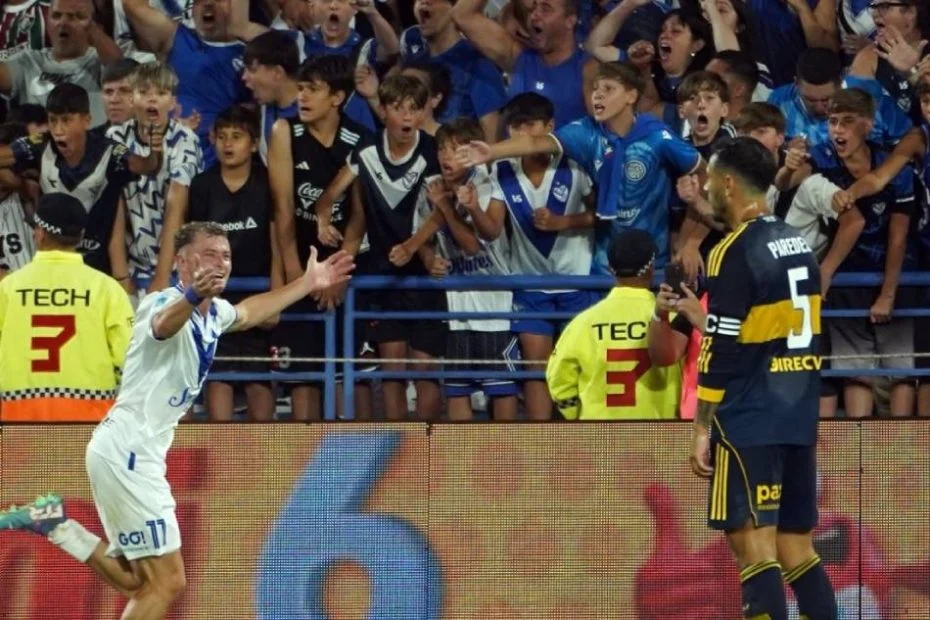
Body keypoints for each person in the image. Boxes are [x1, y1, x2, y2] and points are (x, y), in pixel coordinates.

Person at [0, 221, 353, 619]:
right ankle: (55, 524)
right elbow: (163, 325)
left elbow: (248, 312)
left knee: (138, 581)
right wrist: (191, 295)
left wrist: (307, 283)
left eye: (226, 256)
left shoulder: (213, 313)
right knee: (168, 583)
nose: (220, 263)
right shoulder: (162, 302)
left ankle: (57, 525)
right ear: (182, 263)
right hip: (128, 453)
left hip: (132, 453)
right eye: (208, 255)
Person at [691, 136, 837, 619]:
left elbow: (719, 345)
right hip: (797, 414)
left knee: (752, 547)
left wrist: (702, 426)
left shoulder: (731, 251)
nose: (706, 188)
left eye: (711, 179)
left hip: (750, 416)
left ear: (729, 184)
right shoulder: (799, 245)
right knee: (797, 548)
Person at [457, 61, 703, 278]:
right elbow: (534, 142)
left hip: (651, 265)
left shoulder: (657, 137)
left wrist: (689, 241)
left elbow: (705, 176)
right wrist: (492, 151)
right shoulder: (586, 133)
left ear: (631, 96)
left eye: (608, 89)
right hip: (604, 266)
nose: (598, 95)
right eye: (595, 89)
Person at [315, 73, 446, 421]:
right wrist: (323, 221)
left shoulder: (431, 151)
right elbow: (331, 196)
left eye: (414, 109)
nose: (407, 116)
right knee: (392, 372)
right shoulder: (366, 151)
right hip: (382, 276)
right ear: (384, 110)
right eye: (399, 108)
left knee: (425, 371)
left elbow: (441, 212)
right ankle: (401, 447)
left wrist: (413, 246)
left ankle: (426, 446)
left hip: (424, 274)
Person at [268, 53, 374, 421]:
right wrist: (297, 275)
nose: (302, 97)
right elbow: (282, 209)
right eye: (300, 88)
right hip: (301, 263)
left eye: (313, 89)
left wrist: (339, 273)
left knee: (353, 374)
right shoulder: (284, 131)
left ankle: (356, 451)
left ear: (337, 97)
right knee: (304, 377)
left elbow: (359, 217)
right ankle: (303, 451)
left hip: (347, 265)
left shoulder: (361, 139)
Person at [394, 117, 518, 421]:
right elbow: (424, 235)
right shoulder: (431, 187)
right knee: (456, 388)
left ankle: (507, 448)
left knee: (501, 387)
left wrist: (448, 208)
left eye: (455, 150)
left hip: (495, 305)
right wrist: (427, 259)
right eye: (442, 149)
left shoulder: (488, 183)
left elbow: (475, 244)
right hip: (455, 306)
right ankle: (461, 450)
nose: (446, 156)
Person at [491, 92, 595, 420]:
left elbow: (601, 216)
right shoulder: (500, 170)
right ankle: (541, 442)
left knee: (581, 365)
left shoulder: (576, 165)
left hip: (578, 283)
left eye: (530, 125)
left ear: (550, 127)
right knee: (536, 368)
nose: (522, 134)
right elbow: (491, 229)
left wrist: (564, 222)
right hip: (530, 286)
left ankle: (583, 441)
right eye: (515, 126)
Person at [0, 83, 164, 275]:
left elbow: (147, 166)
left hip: (95, 266)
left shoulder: (109, 151)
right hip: (49, 263)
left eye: (66, 120)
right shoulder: (40, 145)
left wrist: (155, 149)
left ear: (86, 120)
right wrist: (18, 183)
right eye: (53, 120)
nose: (58, 130)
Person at [0, 193, 134, 422]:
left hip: (18, 420)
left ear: (40, 234)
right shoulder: (107, 290)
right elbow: (129, 361)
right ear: (80, 236)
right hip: (90, 422)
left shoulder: (8, 289)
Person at [188, 106, 280, 422]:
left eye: (237, 137)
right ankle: (222, 450)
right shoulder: (202, 185)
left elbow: (278, 242)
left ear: (254, 144)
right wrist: (203, 297)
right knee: (219, 377)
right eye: (222, 136)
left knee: (258, 378)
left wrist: (275, 298)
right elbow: (196, 245)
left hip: (257, 295)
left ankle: (264, 451)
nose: (228, 144)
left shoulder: (268, 183)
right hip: (216, 295)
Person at [546, 228, 680, 420]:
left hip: (599, 432)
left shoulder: (583, 323)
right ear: (651, 268)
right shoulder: (673, 320)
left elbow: (558, 380)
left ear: (610, 268)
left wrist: (576, 413)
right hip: (660, 432)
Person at [108, 61, 203, 294]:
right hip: (131, 267)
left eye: (161, 93)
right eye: (143, 92)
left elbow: (177, 204)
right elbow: (112, 205)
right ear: (132, 99)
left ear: (172, 102)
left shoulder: (185, 140)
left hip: (176, 268)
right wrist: (121, 275)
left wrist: (162, 277)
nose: (152, 100)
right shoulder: (116, 137)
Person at [0, 0, 122, 127]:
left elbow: (122, 70)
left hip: (92, 137)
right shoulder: (29, 60)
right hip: (37, 138)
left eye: (74, 17)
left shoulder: (99, 62)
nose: (63, 23)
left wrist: (92, 27)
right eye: (56, 16)